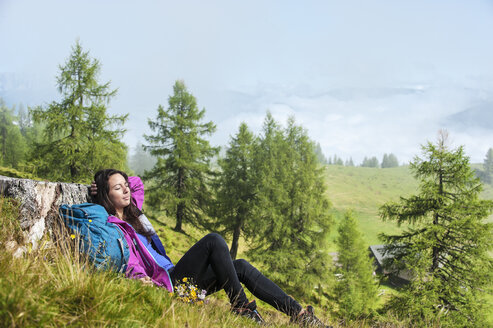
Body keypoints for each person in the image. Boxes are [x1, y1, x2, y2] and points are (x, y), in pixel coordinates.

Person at [92, 168, 330, 327]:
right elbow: (128, 262)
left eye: (124, 186)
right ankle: (242, 308)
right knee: (214, 241)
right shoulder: (116, 227)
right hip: (169, 284)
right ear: (106, 195)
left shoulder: (135, 213)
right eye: (117, 188)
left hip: (179, 276)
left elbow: (137, 183)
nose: (125, 189)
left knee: (241, 267)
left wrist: (113, 183)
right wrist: (97, 189)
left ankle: (301, 316)